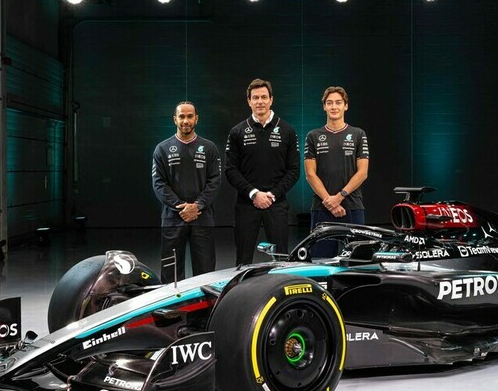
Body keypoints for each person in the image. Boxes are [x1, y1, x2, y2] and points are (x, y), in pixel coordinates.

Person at [225, 78, 300, 265]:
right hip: (246, 204)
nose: (260, 101)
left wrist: (272, 195)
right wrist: (253, 193)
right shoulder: (237, 132)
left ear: (271, 100)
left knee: (281, 260)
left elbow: (294, 170)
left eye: (264, 97)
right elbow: (231, 170)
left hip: (277, 204)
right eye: (255, 98)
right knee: (243, 260)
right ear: (249, 101)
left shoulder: (287, 131)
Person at [152, 101, 221, 282]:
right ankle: (172, 301)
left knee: (205, 273)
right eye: (181, 116)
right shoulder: (162, 149)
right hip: (172, 219)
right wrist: (181, 207)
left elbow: (215, 182)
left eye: (190, 116)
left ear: (196, 119)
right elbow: (159, 184)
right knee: (171, 275)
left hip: (202, 217)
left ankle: (205, 301)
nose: (186, 120)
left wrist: (197, 206)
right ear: (175, 119)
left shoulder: (209, 148)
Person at [304, 86, 369, 257]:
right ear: (324, 106)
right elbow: (310, 174)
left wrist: (339, 197)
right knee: (320, 261)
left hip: (352, 206)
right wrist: (328, 201)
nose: (334, 107)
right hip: (322, 208)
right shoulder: (313, 136)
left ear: (345, 106)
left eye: (338, 103)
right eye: (330, 103)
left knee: (357, 261)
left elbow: (362, 173)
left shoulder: (358, 134)